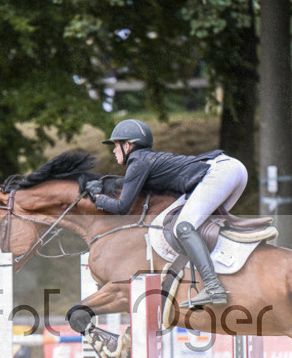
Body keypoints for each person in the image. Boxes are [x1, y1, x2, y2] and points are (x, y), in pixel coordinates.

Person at [85, 118, 248, 308]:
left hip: (221, 173)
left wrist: (97, 198)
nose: (113, 151)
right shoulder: (145, 161)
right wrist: (105, 185)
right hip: (233, 170)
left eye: (115, 146)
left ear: (127, 145)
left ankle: (213, 287)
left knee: (183, 227)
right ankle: (226, 277)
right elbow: (128, 184)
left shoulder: (138, 162)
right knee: (201, 228)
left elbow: (123, 207)